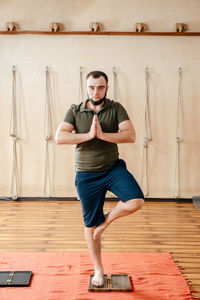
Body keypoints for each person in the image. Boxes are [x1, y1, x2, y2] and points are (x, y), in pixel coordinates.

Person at [55, 70, 144, 287]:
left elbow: (130, 135)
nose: (96, 91)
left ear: (107, 87)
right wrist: (88, 136)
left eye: (101, 87)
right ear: (86, 87)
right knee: (89, 225)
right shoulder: (75, 110)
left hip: (113, 168)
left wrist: (103, 135)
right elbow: (60, 137)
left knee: (136, 201)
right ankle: (98, 269)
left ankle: (105, 221)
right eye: (92, 87)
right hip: (86, 173)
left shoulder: (115, 108)